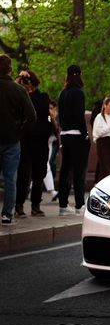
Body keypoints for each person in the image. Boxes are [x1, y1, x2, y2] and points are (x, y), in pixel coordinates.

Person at [0, 55, 36, 225]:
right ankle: (7, 214)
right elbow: (32, 116)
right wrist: (19, 132)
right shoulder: (18, 90)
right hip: (12, 139)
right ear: (10, 69)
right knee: (10, 178)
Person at [15, 70, 52, 217]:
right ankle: (19, 205)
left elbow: (41, 111)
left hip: (40, 142)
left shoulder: (43, 97)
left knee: (39, 175)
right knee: (23, 175)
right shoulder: (19, 96)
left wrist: (28, 92)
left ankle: (36, 205)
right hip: (25, 141)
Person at [57, 65, 90, 216]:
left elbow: (60, 117)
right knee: (79, 171)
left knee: (65, 170)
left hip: (64, 134)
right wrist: (85, 134)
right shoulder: (79, 93)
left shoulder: (63, 93)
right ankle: (79, 205)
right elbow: (79, 116)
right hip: (77, 136)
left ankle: (63, 206)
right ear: (79, 75)